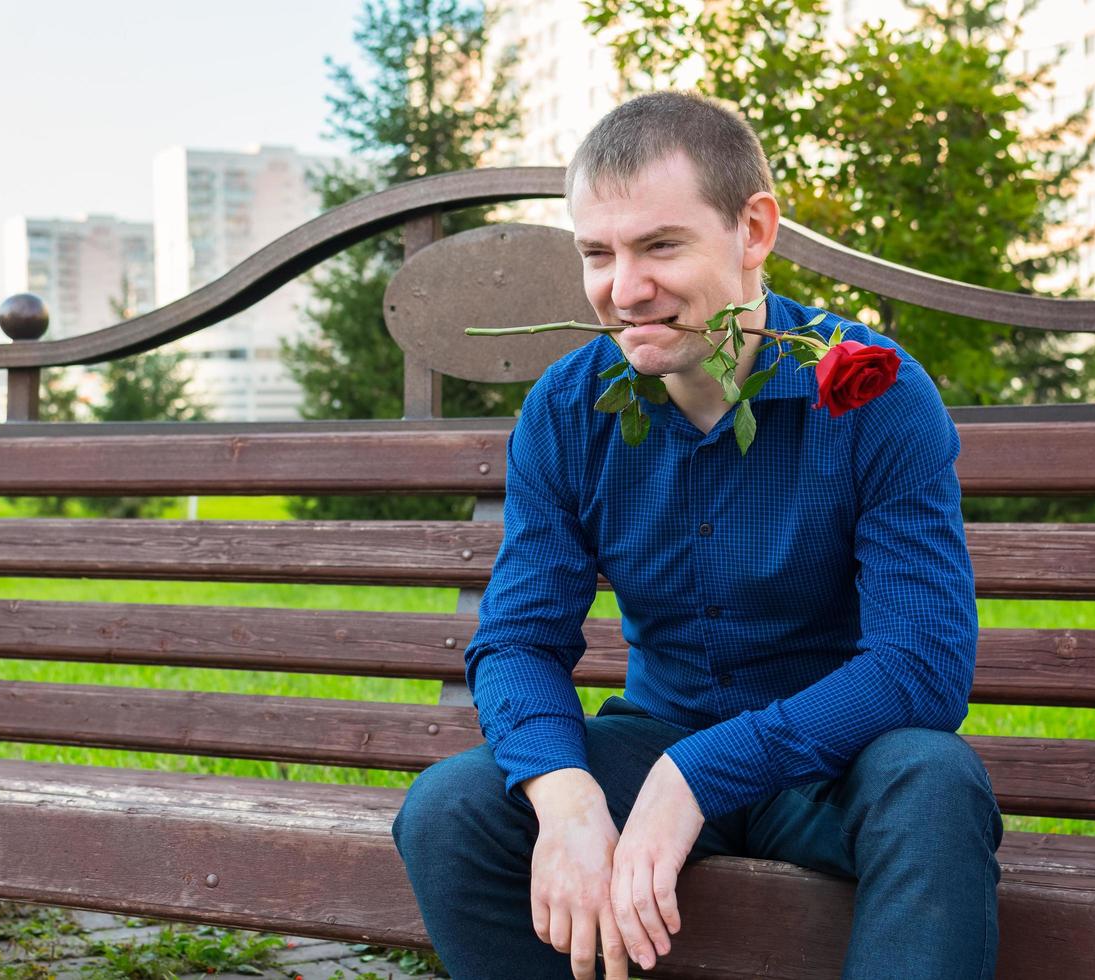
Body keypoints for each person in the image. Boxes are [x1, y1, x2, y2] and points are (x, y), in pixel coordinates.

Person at [393, 90, 1003, 980]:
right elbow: (520, 638)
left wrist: (699, 774)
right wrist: (565, 799)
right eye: (597, 253)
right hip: (656, 737)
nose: (623, 289)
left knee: (934, 784)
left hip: (835, 764)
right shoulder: (568, 408)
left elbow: (922, 666)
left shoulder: (875, 392)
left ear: (753, 230)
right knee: (452, 808)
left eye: (660, 245)